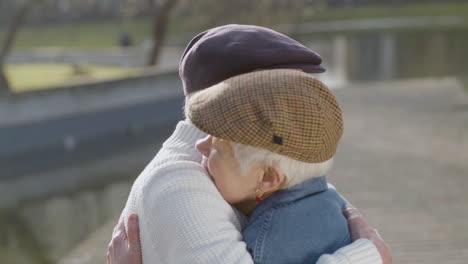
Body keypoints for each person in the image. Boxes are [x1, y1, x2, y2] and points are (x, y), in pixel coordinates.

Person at [111, 24, 391, 264]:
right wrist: (367, 256)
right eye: (284, 85)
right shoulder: (181, 185)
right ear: (242, 92)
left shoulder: (247, 165)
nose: (301, 98)